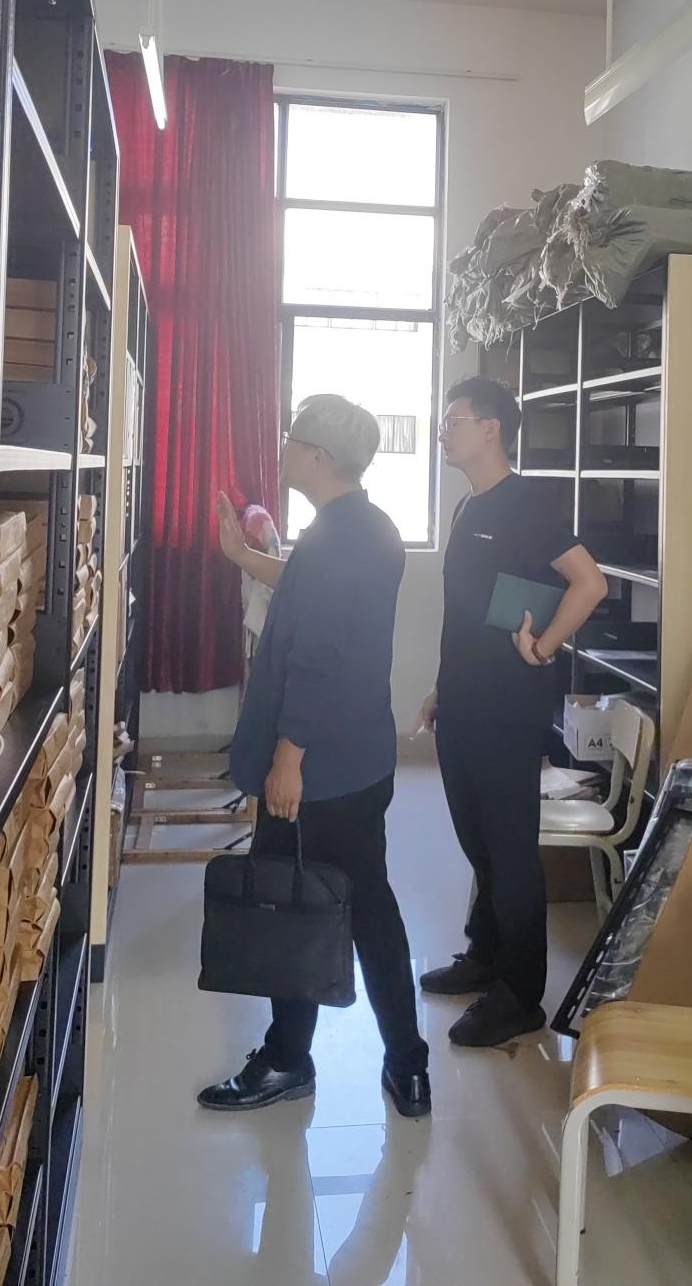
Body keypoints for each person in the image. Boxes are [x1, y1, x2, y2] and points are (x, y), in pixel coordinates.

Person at [197, 394, 430, 1117]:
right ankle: (407, 1066)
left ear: (319, 458)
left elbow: (316, 657)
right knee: (370, 907)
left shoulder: (337, 539)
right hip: (359, 758)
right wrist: (243, 557)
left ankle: (287, 1061)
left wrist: (288, 758)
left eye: (292, 440)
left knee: (291, 904)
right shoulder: (359, 527)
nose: (283, 449)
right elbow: (306, 590)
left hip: (319, 768)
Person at [417, 376, 608, 1047]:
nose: (443, 432)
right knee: (477, 840)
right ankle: (484, 955)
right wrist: (442, 689)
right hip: (463, 701)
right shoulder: (467, 506)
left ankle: (520, 994)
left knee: (508, 847)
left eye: (453, 420)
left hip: (507, 708)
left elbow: (590, 582)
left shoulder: (525, 502)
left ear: (490, 427)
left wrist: (546, 645)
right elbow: (469, 614)